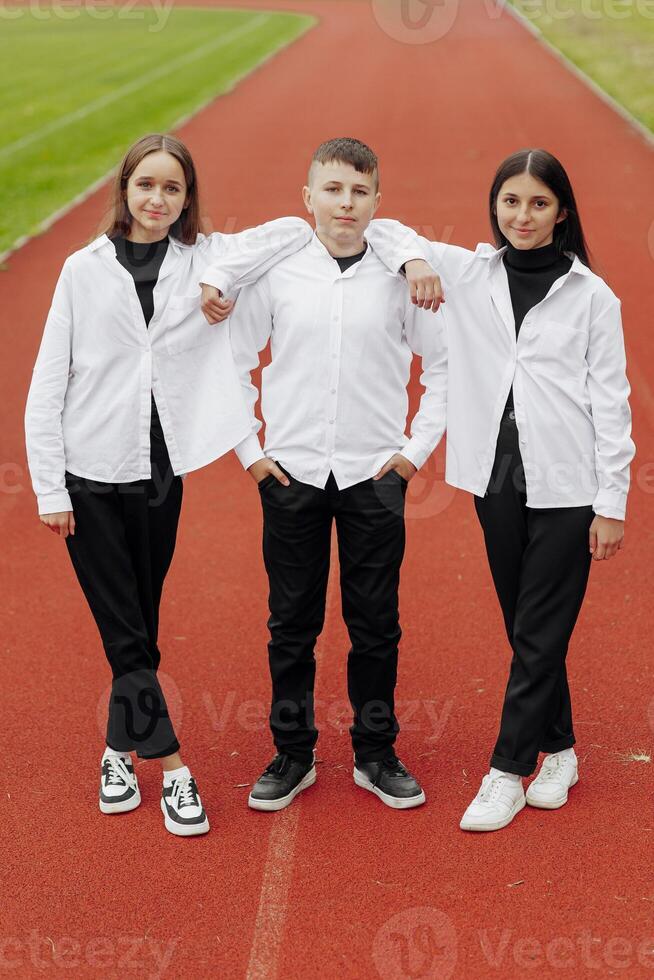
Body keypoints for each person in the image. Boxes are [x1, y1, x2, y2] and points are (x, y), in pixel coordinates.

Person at [25, 132, 313, 836]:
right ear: (124, 189)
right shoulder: (81, 270)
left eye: (172, 188)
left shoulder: (203, 260)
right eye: (146, 184)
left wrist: (222, 280)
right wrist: (49, 488)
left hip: (159, 473)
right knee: (125, 634)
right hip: (89, 473)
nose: (157, 199)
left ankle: (117, 753)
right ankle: (175, 769)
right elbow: (46, 383)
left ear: (187, 199)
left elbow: (295, 228)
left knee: (140, 629)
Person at [372, 149, 635, 831]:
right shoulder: (466, 271)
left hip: (569, 482)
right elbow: (381, 227)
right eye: (511, 202)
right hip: (495, 477)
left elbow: (612, 404)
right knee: (528, 630)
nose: (523, 215)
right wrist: (416, 263)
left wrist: (613, 504)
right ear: (495, 208)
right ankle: (563, 750)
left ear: (562, 213)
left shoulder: (592, 297)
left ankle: (507, 769)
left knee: (540, 635)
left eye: (539, 203)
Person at [200, 137, 446, 812]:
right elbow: (233, 361)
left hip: (374, 476)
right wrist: (252, 455)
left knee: (376, 625)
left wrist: (411, 455)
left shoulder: (400, 275)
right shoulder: (280, 272)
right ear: (310, 197)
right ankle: (293, 753)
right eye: (332, 190)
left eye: (359, 192)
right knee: (291, 624)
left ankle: (375, 753)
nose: (345, 203)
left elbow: (444, 367)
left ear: (376, 202)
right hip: (292, 476)